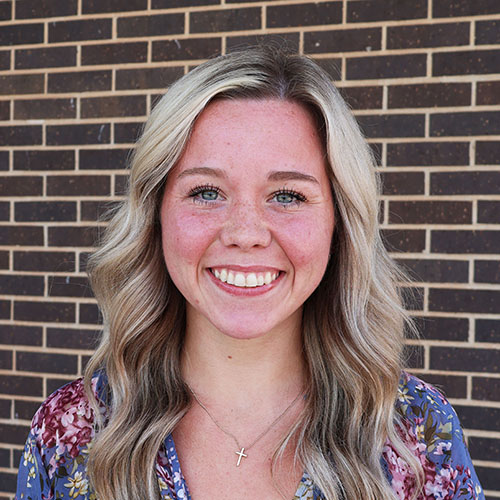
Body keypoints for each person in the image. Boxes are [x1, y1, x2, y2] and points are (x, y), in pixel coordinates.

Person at [16, 47, 483, 500]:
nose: (245, 234)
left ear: (338, 223)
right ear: (156, 215)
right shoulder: (69, 434)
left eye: (287, 196)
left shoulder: (419, 433)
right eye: (205, 192)